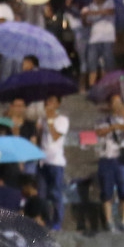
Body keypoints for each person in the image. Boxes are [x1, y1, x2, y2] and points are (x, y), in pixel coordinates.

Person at [95, 93, 124, 233]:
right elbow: (100, 132)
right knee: (107, 191)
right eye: (114, 103)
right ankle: (109, 220)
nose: (117, 106)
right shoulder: (103, 120)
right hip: (107, 157)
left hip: (122, 158)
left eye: (119, 103)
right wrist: (116, 126)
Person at [38, 94, 69, 230]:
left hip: (56, 162)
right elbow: (40, 138)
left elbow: (56, 136)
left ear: (57, 104)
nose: (48, 104)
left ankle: (57, 222)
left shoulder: (62, 120)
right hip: (42, 161)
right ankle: (44, 221)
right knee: (42, 194)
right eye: (47, 101)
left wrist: (50, 120)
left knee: (56, 193)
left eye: (52, 101)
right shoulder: (42, 119)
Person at [80, 0, 117, 89]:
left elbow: (110, 11)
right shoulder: (91, 6)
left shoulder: (110, 2)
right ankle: (92, 88)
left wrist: (92, 13)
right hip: (94, 39)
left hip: (107, 38)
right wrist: (83, 17)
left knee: (107, 64)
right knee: (92, 64)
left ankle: (107, 86)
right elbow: (86, 23)